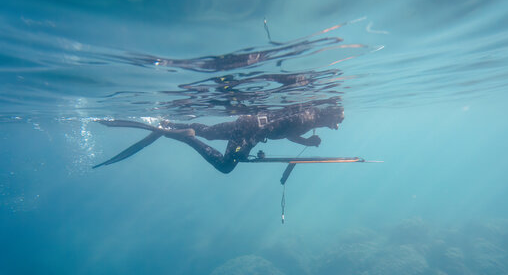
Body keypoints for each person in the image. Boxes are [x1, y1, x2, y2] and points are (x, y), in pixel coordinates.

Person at [93, 106, 344, 173]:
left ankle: (169, 124)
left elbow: (284, 129)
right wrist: (247, 148)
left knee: (210, 132)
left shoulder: (309, 116)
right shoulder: (308, 117)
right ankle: (188, 137)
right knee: (225, 166)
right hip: (249, 132)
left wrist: (307, 142)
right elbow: (279, 127)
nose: (336, 126)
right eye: (338, 120)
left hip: (246, 122)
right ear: (329, 114)